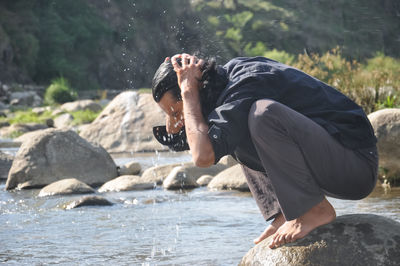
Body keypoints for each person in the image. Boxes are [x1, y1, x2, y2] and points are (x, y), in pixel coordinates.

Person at [151, 53, 378, 248]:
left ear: (196, 85)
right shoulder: (221, 89)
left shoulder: (244, 84)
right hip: (332, 163)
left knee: (262, 114)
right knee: (229, 129)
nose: (174, 124)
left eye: (175, 113)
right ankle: (284, 213)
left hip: (355, 166)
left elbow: (202, 156)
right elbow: (196, 139)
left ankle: (314, 210)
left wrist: (188, 93)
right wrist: (179, 109)